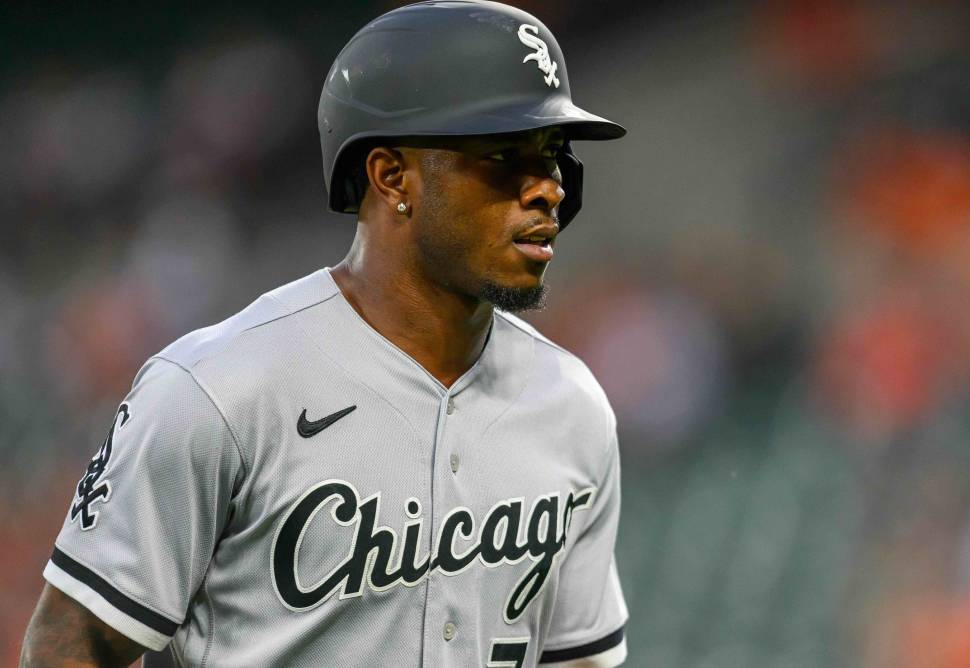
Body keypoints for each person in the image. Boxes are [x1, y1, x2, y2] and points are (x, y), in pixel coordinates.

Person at [20, 1, 628, 666]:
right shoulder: (218, 390)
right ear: (391, 176)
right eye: (506, 156)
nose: (547, 189)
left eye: (554, 156)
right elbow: (72, 645)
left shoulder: (571, 404)